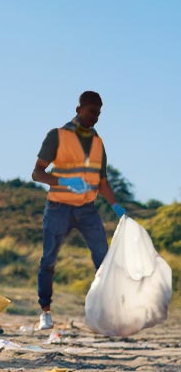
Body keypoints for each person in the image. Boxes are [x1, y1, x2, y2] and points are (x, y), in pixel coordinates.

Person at [30, 91, 125, 331]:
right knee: (49, 260)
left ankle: (106, 313)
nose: (96, 117)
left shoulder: (98, 143)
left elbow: (102, 182)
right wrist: (64, 182)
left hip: (87, 210)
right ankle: (45, 312)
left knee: (103, 260)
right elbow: (37, 173)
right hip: (58, 208)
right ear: (79, 108)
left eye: (99, 113)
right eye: (92, 111)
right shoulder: (57, 136)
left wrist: (117, 207)